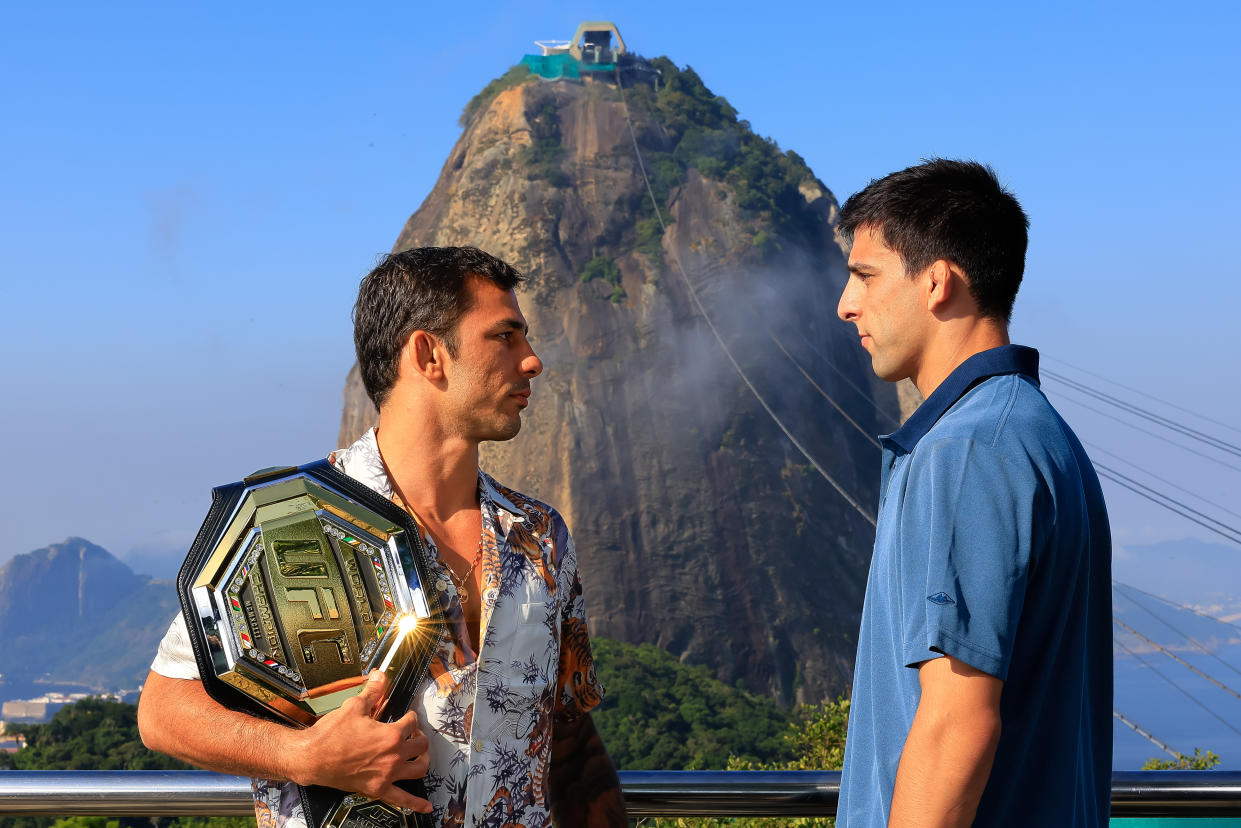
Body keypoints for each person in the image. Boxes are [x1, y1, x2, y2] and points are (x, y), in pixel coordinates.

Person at [138, 246, 626, 828]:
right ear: (428, 354)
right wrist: (303, 756)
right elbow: (163, 712)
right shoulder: (292, 522)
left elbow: (568, 737)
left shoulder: (541, 535)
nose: (533, 361)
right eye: (506, 336)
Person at [833, 160, 1111, 827]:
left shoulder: (966, 452)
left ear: (936, 282)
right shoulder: (1036, 432)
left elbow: (956, 720)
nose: (845, 304)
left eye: (864, 275)